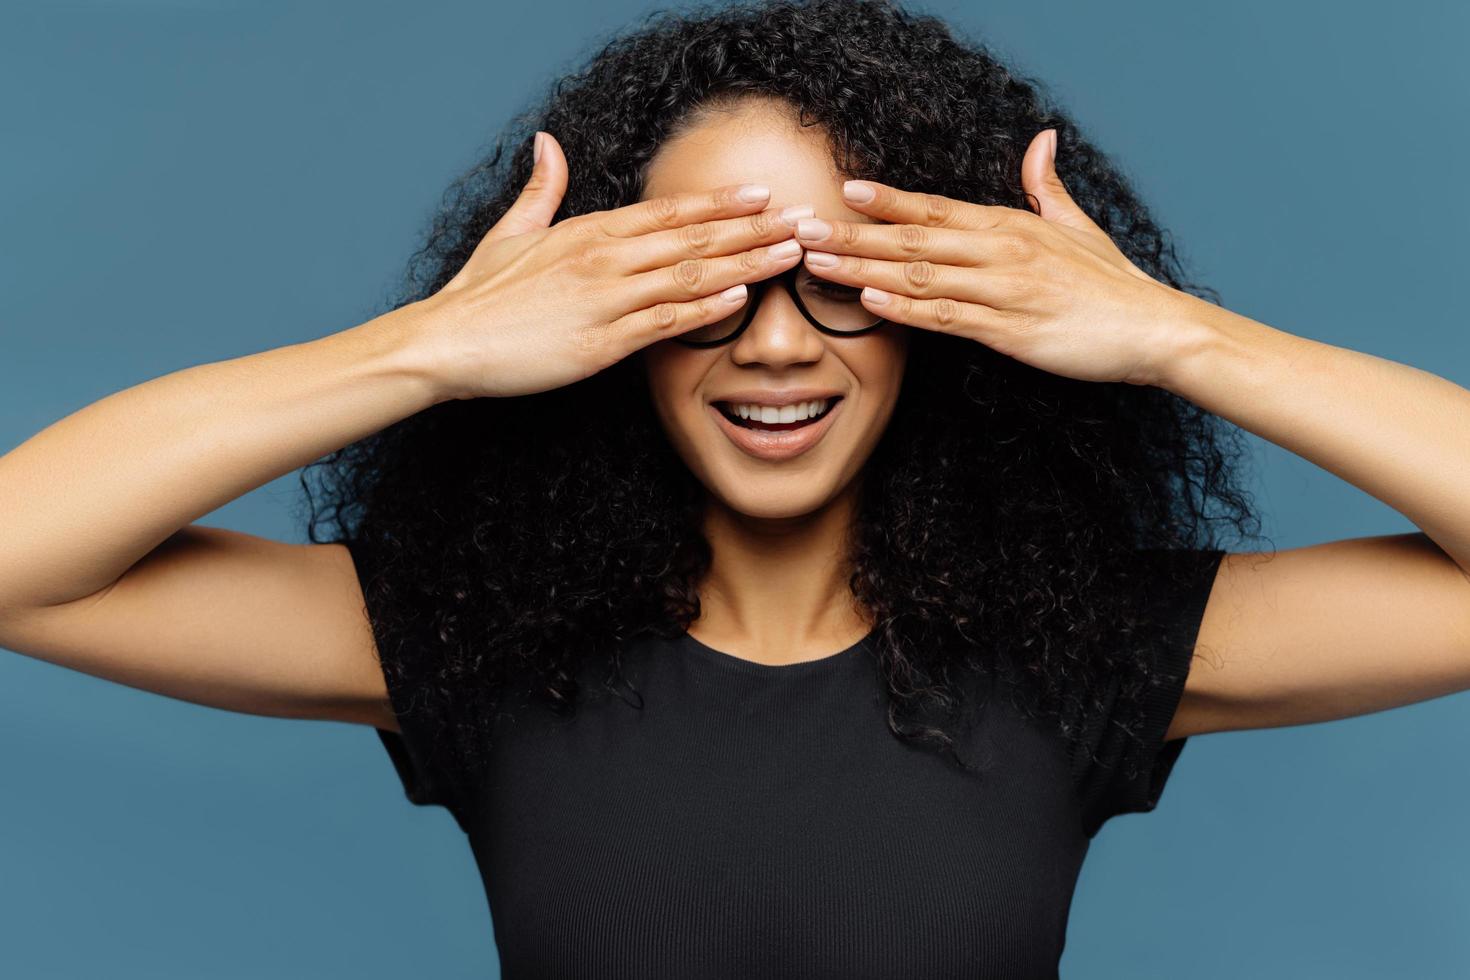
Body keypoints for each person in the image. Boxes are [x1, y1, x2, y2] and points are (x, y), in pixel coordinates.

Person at [2, 0, 1467, 976]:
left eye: (841, 283)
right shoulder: (479, 641)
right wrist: (428, 347)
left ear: (945, 316)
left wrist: (1175, 336)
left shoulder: (1084, 648)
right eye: (701, 285)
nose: (774, 343)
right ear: (603, 318)